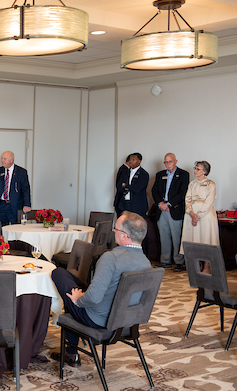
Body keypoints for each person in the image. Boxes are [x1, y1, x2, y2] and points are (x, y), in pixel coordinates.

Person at [50, 211, 151, 366]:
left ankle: (71, 353)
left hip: (98, 319)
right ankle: (71, 353)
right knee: (75, 282)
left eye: (115, 229)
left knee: (59, 274)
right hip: (126, 321)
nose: (113, 232)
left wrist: (79, 300)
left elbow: (93, 298)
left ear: (125, 236)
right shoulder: (146, 263)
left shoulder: (111, 258)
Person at [152, 153, 189, 272]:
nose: (168, 164)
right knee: (164, 236)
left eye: (170, 161)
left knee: (177, 237)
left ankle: (179, 262)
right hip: (161, 209)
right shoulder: (160, 175)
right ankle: (165, 261)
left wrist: (168, 204)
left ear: (176, 161)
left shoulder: (183, 174)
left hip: (175, 209)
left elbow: (182, 193)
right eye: (166, 162)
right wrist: (160, 204)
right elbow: (154, 191)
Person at [179, 161, 219, 271]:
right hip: (191, 214)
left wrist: (198, 215)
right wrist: (191, 213)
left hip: (205, 215)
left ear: (205, 171)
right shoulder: (192, 184)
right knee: (193, 240)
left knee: (206, 239)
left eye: (198, 169)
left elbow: (209, 201)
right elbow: (187, 199)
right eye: (195, 168)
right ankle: (196, 265)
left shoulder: (211, 184)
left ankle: (207, 266)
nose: (195, 171)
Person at [0, 151, 31, 226]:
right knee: (0, 230)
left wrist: (27, 204)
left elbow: (26, 189)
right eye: (2, 158)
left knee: (16, 229)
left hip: (15, 205)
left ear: (11, 160)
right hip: (0, 205)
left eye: (5, 159)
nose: (2, 161)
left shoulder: (21, 172)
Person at [116, 153, 149, 219]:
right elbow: (119, 187)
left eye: (133, 160)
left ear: (139, 161)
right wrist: (129, 187)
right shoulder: (125, 172)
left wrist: (125, 186)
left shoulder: (143, 174)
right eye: (130, 159)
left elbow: (137, 189)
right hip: (124, 204)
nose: (130, 161)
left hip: (137, 206)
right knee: (124, 226)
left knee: (137, 226)